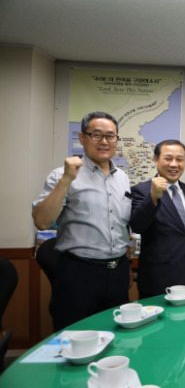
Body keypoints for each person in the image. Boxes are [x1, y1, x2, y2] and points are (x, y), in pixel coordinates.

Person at [32, 111, 133, 331]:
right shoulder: (62, 175)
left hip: (117, 272)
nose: (104, 141)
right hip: (78, 274)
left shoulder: (123, 178)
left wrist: (128, 266)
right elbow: (42, 221)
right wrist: (67, 179)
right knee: (75, 339)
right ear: (82, 137)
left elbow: (121, 225)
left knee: (117, 336)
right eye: (96, 135)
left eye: (110, 136)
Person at [130, 140, 185, 299]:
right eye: (168, 158)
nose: (174, 164)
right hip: (159, 277)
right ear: (155, 160)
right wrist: (152, 197)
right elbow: (137, 226)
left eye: (179, 159)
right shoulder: (141, 190)